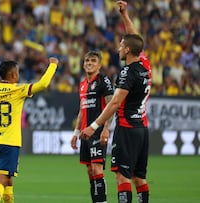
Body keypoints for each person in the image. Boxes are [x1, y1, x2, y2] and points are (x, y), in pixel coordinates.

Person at [81, 1, 152, 202]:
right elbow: (135, 39)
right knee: (139, 178)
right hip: (142, 127)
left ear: (128, 50)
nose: (119, 47)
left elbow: (114, 103)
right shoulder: (145, 66)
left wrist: (94, 126)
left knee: (123, 177)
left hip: (126, 128)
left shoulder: (127, 72)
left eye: (122, 45)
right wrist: (124, 15)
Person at [0, 51, 58, 203]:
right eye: (17, 72)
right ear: (13, 75)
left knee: (8, 180)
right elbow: (43, 84)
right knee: (1, 180)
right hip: (10, 142)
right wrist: (52, 65)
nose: (18, 76)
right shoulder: (18, 89)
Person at [70, 51, 114, 203]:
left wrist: (107, 128)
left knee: (97, 169)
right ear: (83, 64)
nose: (89, 63)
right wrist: (76, 133)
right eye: (87, 60)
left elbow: (111, 106)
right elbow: (82, 111)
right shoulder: (82, 85)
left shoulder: (104, 81)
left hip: (98, 131)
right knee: (90, 171)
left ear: (99, 65)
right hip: (84, 134)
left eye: (93, 61)